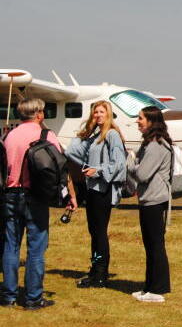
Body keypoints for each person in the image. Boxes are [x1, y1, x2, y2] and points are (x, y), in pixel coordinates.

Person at [1, 98, 77, 310]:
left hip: (10, 194)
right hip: (35, 197)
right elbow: (61, 169)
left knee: (11, 245)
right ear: (39, 114)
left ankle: (8, 296)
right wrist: (70, 196)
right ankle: (33, 298)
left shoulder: (9, 135)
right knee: (36, 248)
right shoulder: (46, 135)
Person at [66, 100, 127, 288]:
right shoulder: (95, 136)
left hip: (103, 190)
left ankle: (100, 274)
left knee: (99, 232)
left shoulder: (112, 135)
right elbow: (72, 151)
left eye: (101, 112)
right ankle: (95, 269)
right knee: (94, 231)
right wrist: (87, 127)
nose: (98, 115)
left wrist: (97, 171)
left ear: (108, 114)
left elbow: (119, 163)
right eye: (95, 113)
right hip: (92, 189)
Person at [127, 106, 172, 303]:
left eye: (141, 118)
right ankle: (149, 286)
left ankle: (158, 289)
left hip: (154, 200)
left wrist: (129, 163)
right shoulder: (152, 143)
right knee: (150, 245)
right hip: (150, 199)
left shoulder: (155, 145)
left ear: (152, 121)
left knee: (155, 245)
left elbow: (142, 174)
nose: (138, 121)